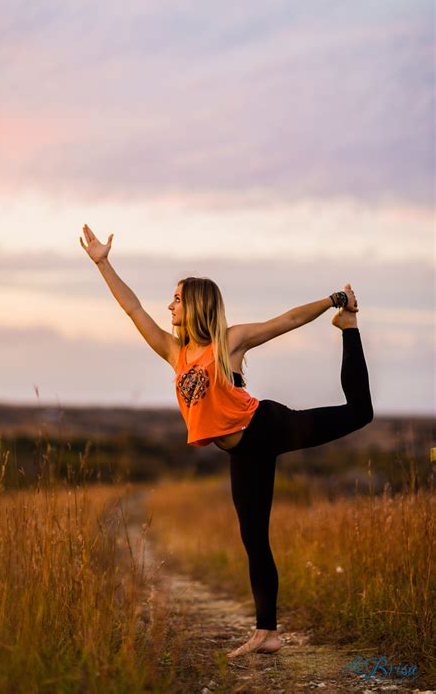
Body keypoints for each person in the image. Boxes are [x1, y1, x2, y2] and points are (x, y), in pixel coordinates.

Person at [80, 224, 374, 658]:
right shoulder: (173, 352)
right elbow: (133, 308)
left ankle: (349, 326)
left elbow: (286, 321)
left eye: (177, 299)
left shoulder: (228, 343)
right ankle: (267, 634)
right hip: (242, 451)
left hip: (267, 426)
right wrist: (104, 263)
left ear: (196, 304)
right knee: (253, 536)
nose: (169, 306)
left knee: (359, 413)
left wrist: (335, 301)